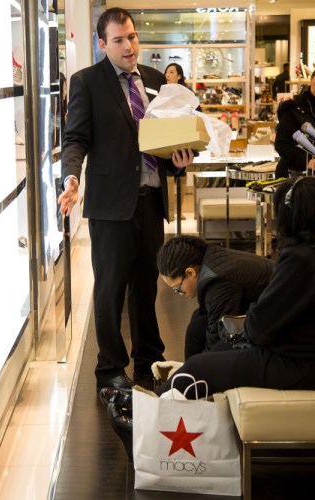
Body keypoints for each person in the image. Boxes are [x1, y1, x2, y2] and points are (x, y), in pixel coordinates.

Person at [105, 177, 315, 414]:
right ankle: (147, 404)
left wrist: (250, 323)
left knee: (199, 367)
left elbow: (262, 327)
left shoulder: (304, 259)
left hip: (305, 361)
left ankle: (143, 415)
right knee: (210, 353)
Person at [58, 8, 195, 392]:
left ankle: (149, 360)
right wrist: (71, 177)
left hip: (150, 200)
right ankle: (110, 370)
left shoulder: (154, 80)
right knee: (110, 289)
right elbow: (76, 138)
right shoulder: (87, 82)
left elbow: (166, 140)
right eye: (118, 40)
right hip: (110, 205)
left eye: (132, 37)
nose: (128, 45)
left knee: (146, 285)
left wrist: (179, 162)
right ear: (103, 44)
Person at [156, 235, 275, 360]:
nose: (179, 293)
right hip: (262, 307)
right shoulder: (210, 257)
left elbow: (217, 341)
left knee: (198, 332)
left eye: (177, 288)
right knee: (197, 324)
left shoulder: (219, 285)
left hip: (275, 319)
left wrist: (200, 366)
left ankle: (194, 376)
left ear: (190, 272)